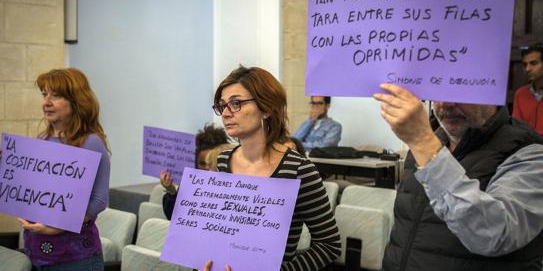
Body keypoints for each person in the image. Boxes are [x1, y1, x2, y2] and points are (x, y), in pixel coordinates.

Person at [373, 83, 543, 271]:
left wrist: (423, 142)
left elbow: (493, 234)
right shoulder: (426, 144)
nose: (446, 102)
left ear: (493, 90)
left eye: (461, 89)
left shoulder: (530, 152)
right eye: (438, 89)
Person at [211, 66, 341, 271]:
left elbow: (328, 245)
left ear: (266, 108)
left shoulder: (299, 169)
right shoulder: (223, 161)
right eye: (221, 106)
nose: (225, 114)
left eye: (236, 103)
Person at [0, 68, 111, 270]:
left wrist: (58, 227)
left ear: (76, 101)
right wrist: (4, 168)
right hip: (37, 251)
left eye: (57, 95)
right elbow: (36, 189)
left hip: (76, 258)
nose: (46, 102)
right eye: (44, 94)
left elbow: (98, 201)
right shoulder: (43, 139)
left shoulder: (91, 142)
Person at [160, 124, 229, 220]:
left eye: (211, 163)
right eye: (202, 164)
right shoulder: (190, 184)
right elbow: (172, 216)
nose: (206, 168)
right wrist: (171, 191)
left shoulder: (232, 186)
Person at [513, 43, 543, 134]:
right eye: (525, 65)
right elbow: (516, 129)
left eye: (533, 63)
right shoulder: (520, 94)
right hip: (526, 146)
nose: (527, 69)